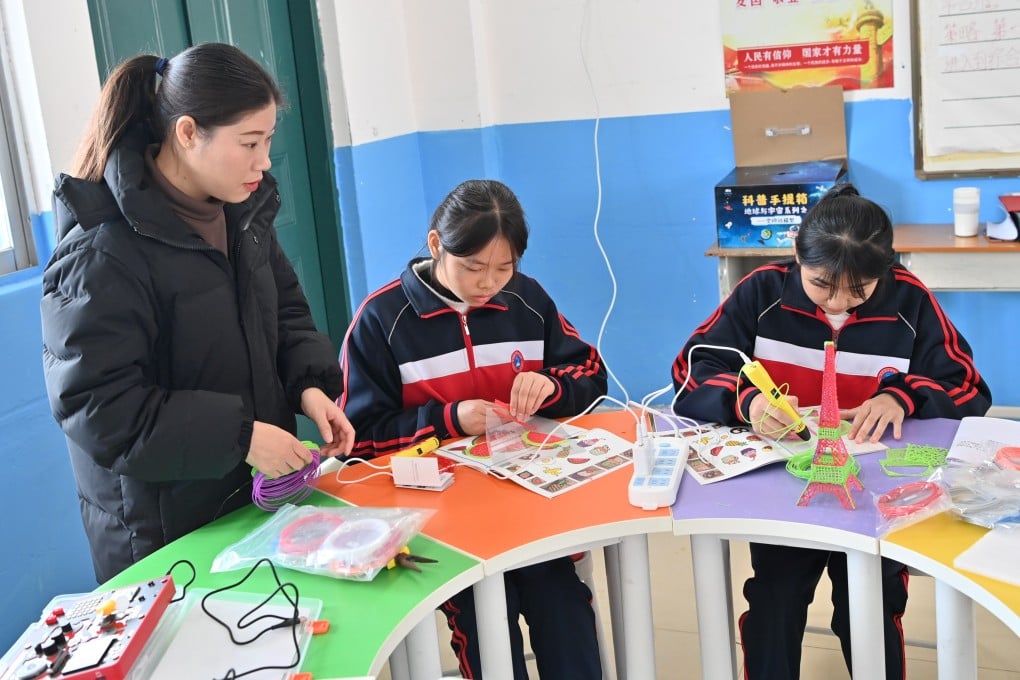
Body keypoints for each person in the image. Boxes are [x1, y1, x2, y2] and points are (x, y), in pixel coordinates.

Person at [40, 43, 354, 584]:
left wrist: (309, 387)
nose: (264, 162)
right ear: (188, 134)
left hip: (251, 507)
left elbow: (286, 316)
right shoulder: (101, 252)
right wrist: (241, 437)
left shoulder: (244, 215)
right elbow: (101, 408)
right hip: (164, 538)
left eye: (269, 141)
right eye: (249, 143)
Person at [671, 183, 991, 680]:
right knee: (775, 605)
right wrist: (748, 400)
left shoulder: (909, 299)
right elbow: (693, 368)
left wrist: (900, 395)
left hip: (874, 495)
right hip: (785, 490)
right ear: (797, 251)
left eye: (860, 289)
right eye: (822, 284)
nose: (839, 302)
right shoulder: (761, 291)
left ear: (886, 269)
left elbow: (967, 386)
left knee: (870, 608)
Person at [340, 179, 607, 679]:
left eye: (504, 268)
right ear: (437, 245)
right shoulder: (383, 319)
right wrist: (448, 420)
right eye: (473, 267)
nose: (488, 284)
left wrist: (550, 387)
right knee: (488, 626)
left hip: (531, 513)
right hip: (445, 530)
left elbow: (590, 372)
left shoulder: (526, 300)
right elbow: (360, 439)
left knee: (566, 613)